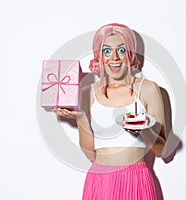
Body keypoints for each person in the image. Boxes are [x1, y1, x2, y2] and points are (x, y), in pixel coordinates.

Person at [53, 23, 167, 200]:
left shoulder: (149, 89)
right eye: (107, 51)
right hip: (99, 182)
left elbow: (163, 151)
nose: (114, 57)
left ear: (130, 54)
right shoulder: (87, 92)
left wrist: (143, 130)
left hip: (135, 179)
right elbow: (90, 154)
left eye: (121, 50)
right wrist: (81, 118)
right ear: (99, 56)